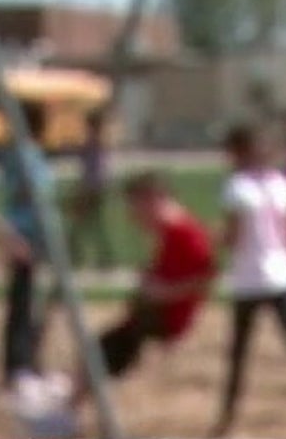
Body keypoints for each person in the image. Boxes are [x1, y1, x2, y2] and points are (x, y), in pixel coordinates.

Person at [212, 124, 286, 437]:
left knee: (239, 350)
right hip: (281, 273)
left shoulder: (237, 187)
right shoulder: (281, 184)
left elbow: (235, 235)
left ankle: (228, 413)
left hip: (250, 277)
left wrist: (214, 239)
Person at [67, 171, 216, 409]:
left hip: (166, 315)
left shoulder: (186, 233)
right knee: (102, 352)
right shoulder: (168, 233)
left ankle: (71, 407)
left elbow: (204, 278)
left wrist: (166, 292)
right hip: (152, 312)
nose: (133, 216)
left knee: (100, 353)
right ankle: (74, 401)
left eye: (136, 207)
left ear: (152, 200)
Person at [0, 104, 53, 386]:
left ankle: (23, 359)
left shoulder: (17, 152)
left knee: (26, 298)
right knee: (23, 299)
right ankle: (19, 362)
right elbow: (29, 190)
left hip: (27, 229)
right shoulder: (24, 153)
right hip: (26, 230)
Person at [69, 109, 115, 272]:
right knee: (93, 225)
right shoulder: (97, 143)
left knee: (81, 224)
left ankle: (77, 256)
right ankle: (103, 257)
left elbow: (94, 170)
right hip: (95, 187)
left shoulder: (95, 144)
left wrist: (83, 189)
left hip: (91, 188)